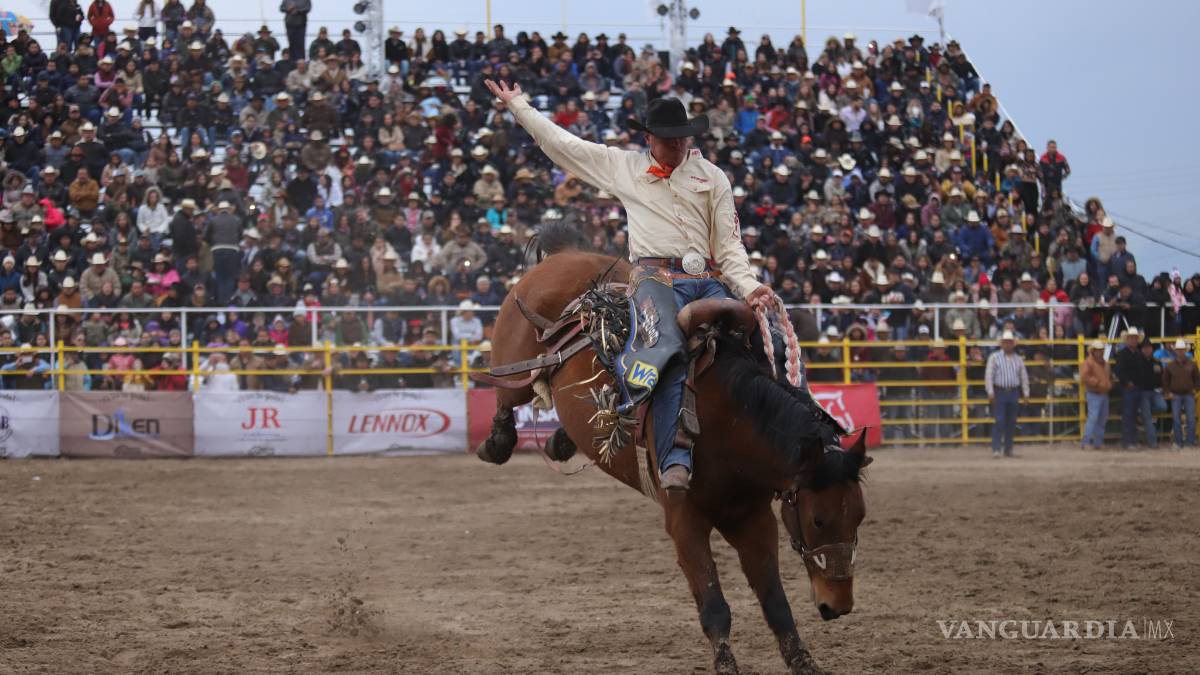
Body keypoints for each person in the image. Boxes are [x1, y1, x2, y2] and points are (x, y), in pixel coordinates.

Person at [485, 79, 773, 491]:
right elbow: (564, 145)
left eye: (682, 139)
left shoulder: (713, 178)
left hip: (708, 279)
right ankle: (673, 457)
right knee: (666, 348)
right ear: (650, 138)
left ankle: (798, 435)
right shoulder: (625, 167)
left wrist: (750, 288)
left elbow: (729, 245)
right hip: (654, 279)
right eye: (669, 140)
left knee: (768, 340)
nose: (678, 147)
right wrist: (519, 106)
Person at [985, 330, 1029, 458]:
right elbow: (989, 375)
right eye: (1006, 342)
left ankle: (1008, 449)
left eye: (1010, 342)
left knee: (1011, 422)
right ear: (1002, 344)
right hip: (1000, 391)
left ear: (1013, 344)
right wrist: (990, 392)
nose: (1008, 344)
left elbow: (1023, 376)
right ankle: (997, 448)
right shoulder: (995, 357)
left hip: (1013, 392)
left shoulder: (1018, 359)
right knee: (999, 420)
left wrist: (1026, 393)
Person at [1113, 328, 1157, 449]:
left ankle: (1132, 440)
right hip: (1128, 388)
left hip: (1138, 388)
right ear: (1127, 339)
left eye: (1135, 338)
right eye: (1131, 338)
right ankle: (1128, 441)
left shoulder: (1138, 354)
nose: (1133, 340)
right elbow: (1118, 371)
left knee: (1133, 416)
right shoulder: (1123, 354)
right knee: (1128, 415)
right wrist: (1127, 382)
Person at [1162, 338, 1199, 448]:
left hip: (1188, 394)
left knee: (1190, 419)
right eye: (1179, 350)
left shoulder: (1192, 365)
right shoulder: (1170, 366)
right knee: (1177, 419)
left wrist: (1195, 389)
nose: (1180, 352)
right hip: (1176, 394)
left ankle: (1189, 442)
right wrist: (1168, 392)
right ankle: (1179, 442)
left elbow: (1198, 379)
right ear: (1176, 351)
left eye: (1182, 350)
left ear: (1185, 351)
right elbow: (1165, 381)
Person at [1080, 339, 1112, 449]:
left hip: (1101, 393)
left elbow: (1085, 377)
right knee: (1094, 419)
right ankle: (1086, 442)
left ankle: (1096, 443)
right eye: (1098, 350)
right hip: (1095, 393)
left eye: (1101, 350)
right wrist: (1099, 383)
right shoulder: (1089, 362)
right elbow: (1084, 377)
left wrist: (1106, 384)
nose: (1100, 352)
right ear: (1093, 351)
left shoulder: (1102, 363)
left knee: (1100, 419)